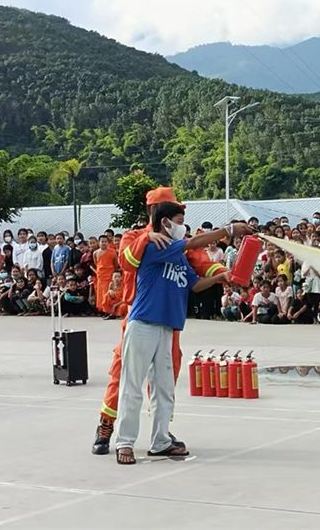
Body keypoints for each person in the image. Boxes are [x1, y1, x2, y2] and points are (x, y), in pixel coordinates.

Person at [92, 187, 239, 456]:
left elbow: (199, 264)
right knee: (123, 376)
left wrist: (222, 274)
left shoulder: (176, 245)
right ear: (159, 214)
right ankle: (109, 426)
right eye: (177, 214)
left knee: (165, 381)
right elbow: (127, 262)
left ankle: (160, 435)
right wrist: (227, 231)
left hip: (169, 322)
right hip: (141, 316)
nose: (183, 222)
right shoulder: (142, 239)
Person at [93, 236, 117, 316]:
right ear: (99, 243)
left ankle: (108, 310)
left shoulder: (112, 252)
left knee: (108, 292)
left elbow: (115, 264)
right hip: (100, 276)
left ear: (108, 243)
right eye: (102, 241)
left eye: (105, 241)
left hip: (109, 275)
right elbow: (96, 263)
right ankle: (101, 309)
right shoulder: (95, 253)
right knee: (100, 293)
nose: (103, 243)